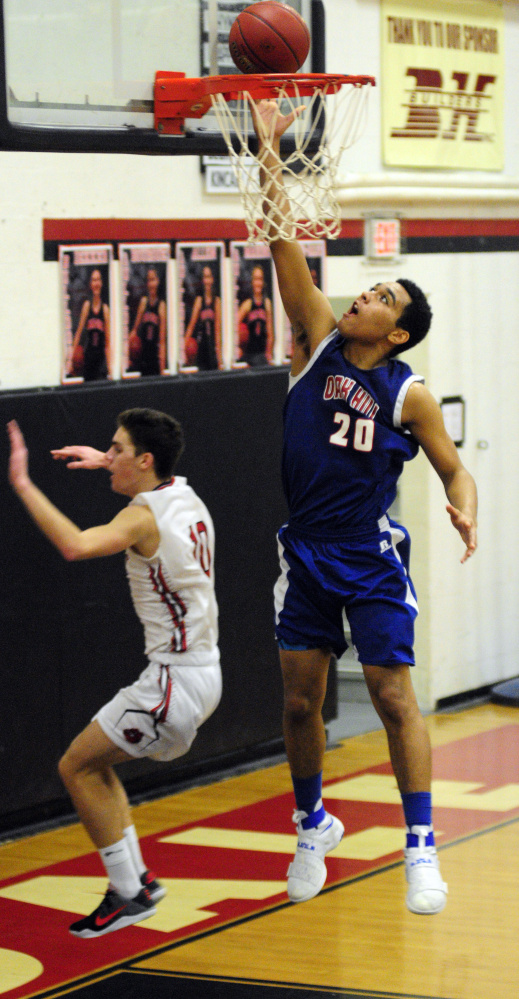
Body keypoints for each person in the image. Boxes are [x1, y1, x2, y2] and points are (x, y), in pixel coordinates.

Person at [252, 100, 478, 914]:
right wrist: (270, 151)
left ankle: (422, 846)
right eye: (368, 286)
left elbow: (455, 470)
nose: (361, 294)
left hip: (368, 552)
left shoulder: (406, 392)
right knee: (298, 700)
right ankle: (312, 821)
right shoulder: (314, 339)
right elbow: (282, 239)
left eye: (380, 294)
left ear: (396, 331)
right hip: (305, 549)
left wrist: (463, 507)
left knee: (390, 694)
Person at [7, 408, 221, 938]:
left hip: (173, 682)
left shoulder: (141, 518)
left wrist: (22, 482)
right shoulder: (184, 495)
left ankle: (129, 891)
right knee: (95, 765)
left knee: (76, 767)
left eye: (116, 450)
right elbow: (144, 476)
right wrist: (104, 460)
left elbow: (74, 544)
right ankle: (137, 885)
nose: (108, 459)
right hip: (202, 672)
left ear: (144, 461)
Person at [69, 268, 111, 381]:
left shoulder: (105, 309)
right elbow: (78, 333)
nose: (96, 283)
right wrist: (70, 359)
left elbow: (108, 343)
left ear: (101, 283)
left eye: (98, 280)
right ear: (90, 284)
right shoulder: (87, 306)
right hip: (88, 358)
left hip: (101, 361)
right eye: (93, 280)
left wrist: (110, 369)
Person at [128, 266, 167, 376]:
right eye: (149, 280)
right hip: (142, 355)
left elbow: (162, 341)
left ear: (158, 281)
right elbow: (134, 330)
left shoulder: (161, 305)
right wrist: (128, 355)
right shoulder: (144, 302)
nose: (151, 284)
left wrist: (162, 368)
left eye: (153, 280)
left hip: (154, 356)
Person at [183, 265, 222, 370]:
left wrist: (220, 358)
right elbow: (191, 327)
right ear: (202, 280)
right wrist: (183, 349)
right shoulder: (199, 301)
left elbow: (217, 331)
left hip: (212, 349)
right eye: (205, 277)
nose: (207, 281)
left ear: (212, 279)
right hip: (201, 350)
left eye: (209, 277)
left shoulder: (217, 301)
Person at [236, 264, 274, 366]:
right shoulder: (247, 304)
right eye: (256, 279)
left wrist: (269, 353)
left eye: (260, 279)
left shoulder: (267, 303)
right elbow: (233, 326)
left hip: (261, 354)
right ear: (252, 282)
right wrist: (239, 346)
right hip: (248, 354)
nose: (258, 283)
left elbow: (270, 334)